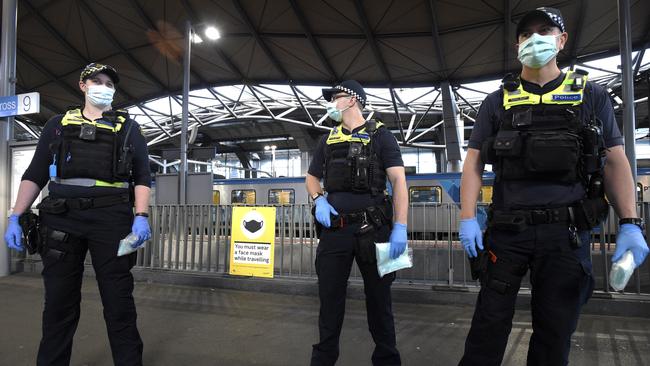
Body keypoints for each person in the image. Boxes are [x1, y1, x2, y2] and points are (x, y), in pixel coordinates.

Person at [457, 7, 649, 365]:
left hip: (566, 235)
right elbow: (472, 164)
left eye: (544, 31)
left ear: (562, 40)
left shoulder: (591, 96)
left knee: (554, 334)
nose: (534, 39)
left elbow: (616, 160)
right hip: (507, 233)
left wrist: (630, 223)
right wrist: (468, 217)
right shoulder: (496, 101)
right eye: (526, 34)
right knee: (487, 327)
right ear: (517, 45)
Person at [4, 63, 151, 366]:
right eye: (96, 81)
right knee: (59, 302)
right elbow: (35, 173)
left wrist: (141, 216)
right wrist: (15, 216)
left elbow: (143, 176)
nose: (103, 87)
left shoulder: (129, 128)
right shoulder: (57, 125)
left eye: (109, 83)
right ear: (82, 85)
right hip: (61, 217)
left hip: (111, 220)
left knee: (118, 301)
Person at [306, 80, 408, 366]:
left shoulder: (382, 136)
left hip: (376, 229)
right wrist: (318, 199)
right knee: (329, 301)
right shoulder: (327, 139)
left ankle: (387, 360)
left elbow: (399, 180)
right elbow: (311, 177)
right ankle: (323, 360)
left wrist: (401, 227)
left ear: (352, 100)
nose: (331, 104)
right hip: (335, 231)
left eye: (335, 98)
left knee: (380, 302)